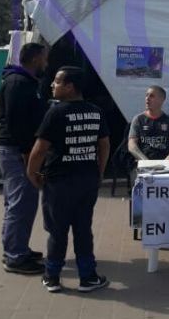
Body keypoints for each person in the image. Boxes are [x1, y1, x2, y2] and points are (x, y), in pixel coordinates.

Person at [26, 66, 110, 294]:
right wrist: (99, 172)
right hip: (87, 181)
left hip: (59, 183)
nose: (53, 85)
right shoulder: (95, 111)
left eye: (57, 81)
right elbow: (104, 145)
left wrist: (32, 175)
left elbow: (40, 149)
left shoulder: (56, 112)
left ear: (70, 87)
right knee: (83, 229)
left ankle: (52, 277)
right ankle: (88, 277)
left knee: (57, 231)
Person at [0, 42, 49, 274]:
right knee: (21, 203)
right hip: (18, 152)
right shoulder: (19, 83)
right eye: (44, 58)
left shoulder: (23, 82)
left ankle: (18, 248)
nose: (46, 62)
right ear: (36, 59)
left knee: (20, 203)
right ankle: (15, 256)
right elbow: (18, 123)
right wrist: (29, 156)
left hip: (17, 150)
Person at [127, 86, 169, 164]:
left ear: (162, 100)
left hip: (165, 161)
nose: (147, 98)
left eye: (152, 96)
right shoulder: (138, 119)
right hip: (143, 161)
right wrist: (146, 162)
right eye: (146, 95)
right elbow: (132, 145)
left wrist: (165, 163)